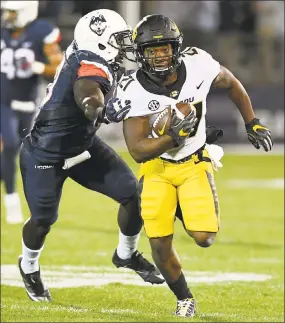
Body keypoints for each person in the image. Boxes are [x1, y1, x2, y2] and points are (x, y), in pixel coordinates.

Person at [115, 14, 273, 317]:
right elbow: (137, 151)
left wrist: (252, 122)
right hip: (156, 167)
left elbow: (233, 83)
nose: (160, 56)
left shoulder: (199, 63)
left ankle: (180, 207)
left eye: (165, 49)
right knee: (159, 243)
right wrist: (171, 137)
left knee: (204, 238)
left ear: (176, 48)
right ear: (141, 54)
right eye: (152, 50)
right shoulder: (133, 88)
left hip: (193, 162)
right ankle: (184, 298)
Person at [17, 9, 164, 303]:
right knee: (43, 220)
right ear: (100, 42)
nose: (125, 44)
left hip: (83, 146)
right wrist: (100, 110)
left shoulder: (90, 52)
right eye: (119, 39)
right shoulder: (91, 61)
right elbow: (88, 91)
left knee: (134, 196)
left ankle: (126, 254)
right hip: (45, 152)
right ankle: (28, 266)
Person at [1, 1, 63, 224]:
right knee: (8, 144)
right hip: (3, 99)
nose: (8, 17)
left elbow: (58, 68)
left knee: (21, 151)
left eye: (12, 12)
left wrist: (37, 67)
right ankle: (10, 198)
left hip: (28, 102)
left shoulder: (41, 30)